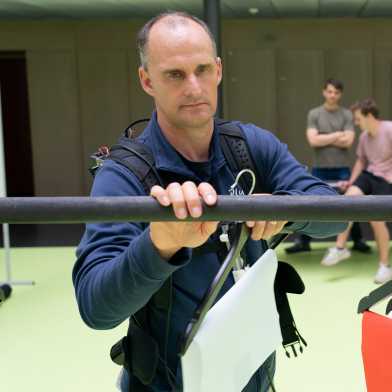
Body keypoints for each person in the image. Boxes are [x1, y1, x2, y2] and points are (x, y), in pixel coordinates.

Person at [72, 11, 346, 392]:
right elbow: (96, 308)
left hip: (253, 378)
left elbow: (336, 214)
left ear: (218, 70)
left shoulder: (250, 147)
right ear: (146, 80)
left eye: (202, 69)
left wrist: (283, 208)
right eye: (175, 74)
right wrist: (160, 244)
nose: (194, 86)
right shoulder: (123, 176)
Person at [286, 78, 370, 254]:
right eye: (330, 91)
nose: (332, 95)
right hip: (320, 168)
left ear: (340, 94)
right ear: (324, 92)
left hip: (341, 168)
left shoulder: (347, 114)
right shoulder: (314, 114)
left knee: (349, 203)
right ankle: (303, 241)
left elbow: (348, 141)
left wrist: (324, 137)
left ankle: (358, 240)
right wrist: (337, 135)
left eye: (336, 92)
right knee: (311, 201)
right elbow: (313, 140)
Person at [321, 98, 392, 283]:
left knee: (377, 220)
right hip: (369, 175)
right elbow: (361, 161)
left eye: (358, 118)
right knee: (348, 201)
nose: (356, 122)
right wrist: (351, 182)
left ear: (369, 116)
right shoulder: (364, 137)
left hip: (387, 179)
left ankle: (385, 267)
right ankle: (340, 248)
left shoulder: (389, 129)